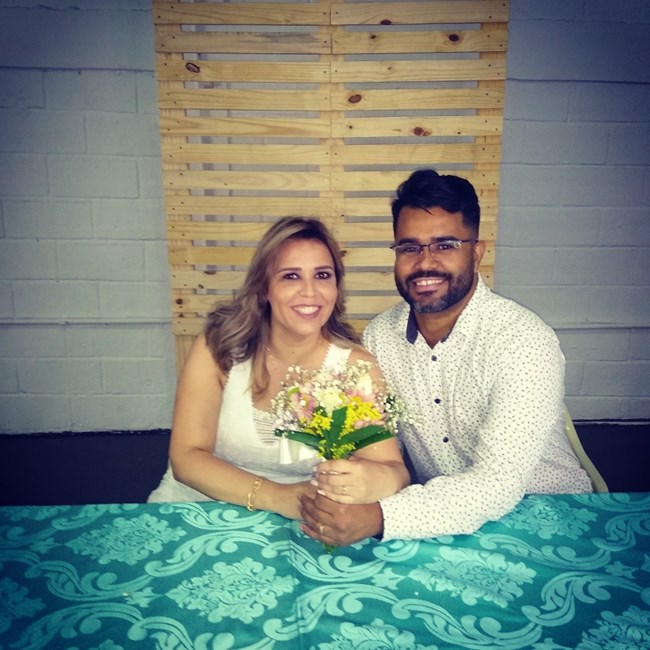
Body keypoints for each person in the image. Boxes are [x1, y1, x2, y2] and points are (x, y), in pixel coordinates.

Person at [300, 169, 592, 545]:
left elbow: (498, 481)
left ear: (476, 252)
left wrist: (379, 517)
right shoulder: (380, 336)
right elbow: (383, 451)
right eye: (409, 248)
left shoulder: (523, 341)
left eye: (445, 245)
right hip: (437, 519)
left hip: (547, 517)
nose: (425, 263)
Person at [148, 217, 409, 520]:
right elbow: (186, 458)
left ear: (336, 287)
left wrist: (373, 480)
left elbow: (393, 471)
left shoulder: (355, 367)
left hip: (302, 518)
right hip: (197, 506)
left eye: (322, 275)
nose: (310, 292)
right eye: (291, 276)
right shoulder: (219, 345)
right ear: (264, 288)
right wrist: (278, 496)